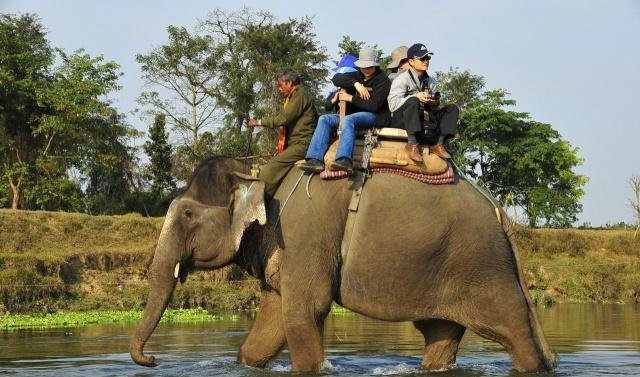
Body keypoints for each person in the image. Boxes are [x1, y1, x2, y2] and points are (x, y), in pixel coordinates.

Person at [299, 47, 391, 174]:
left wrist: (350, 98)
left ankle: (344, 159)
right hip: (353, 115)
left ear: (375, 65)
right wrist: (356, 84)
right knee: (324, 119)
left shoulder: (383, 80)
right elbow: (337, 78)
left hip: (374, 115)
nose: (365, 69)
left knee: (348, 119)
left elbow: (374, 106)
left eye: (369, 66)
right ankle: (315, 159)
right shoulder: (357, 75)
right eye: (363, 66)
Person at [247, 68, 317, 199]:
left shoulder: (300, 94)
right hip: (294, 144)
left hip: (303, 144)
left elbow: (283, 119)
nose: (279, 89)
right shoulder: (292, 97)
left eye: (280, 85)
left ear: (289, 83)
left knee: (271, 167)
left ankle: (258, 201)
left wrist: (259, 122)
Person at [387, 43, 459, 162]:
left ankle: (439, 143)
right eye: (422, 58)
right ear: (411, 61)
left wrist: (433, 102)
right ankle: (412, 144)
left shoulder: (431, 81)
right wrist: (416, 96)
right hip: (402, 119)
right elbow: (392, 105)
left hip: (423, 118)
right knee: (413, 100)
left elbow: (434, 108)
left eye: (427, 58)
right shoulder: (401, 79)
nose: (426, 61)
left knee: (452, 108)